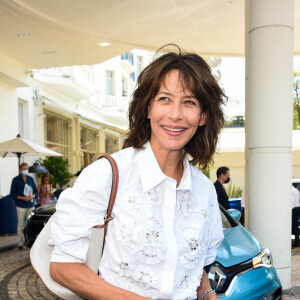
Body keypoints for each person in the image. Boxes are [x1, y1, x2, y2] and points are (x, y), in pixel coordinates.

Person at [49, 45, 226, 300]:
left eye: (189, 102)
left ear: (203, 116)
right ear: (147, 108)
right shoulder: (107, 175)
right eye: (164, 99)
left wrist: (207, 292)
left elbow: (195, 268)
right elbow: (62, 267)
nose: (175, 115)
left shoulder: (204, 190)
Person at [10, 162, 38, 249]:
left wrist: (32, 196)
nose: (25, 170)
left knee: (31, 224)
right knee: (21, 224)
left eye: (26, 169)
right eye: (24, 169)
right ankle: (20, 243)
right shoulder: (15, 180)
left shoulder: (30, 179)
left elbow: (36, 192)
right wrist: (22, 198)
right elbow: (12, 194)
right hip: (21, 205)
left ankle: (31, 242)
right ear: (20, 170)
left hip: (30, 204)